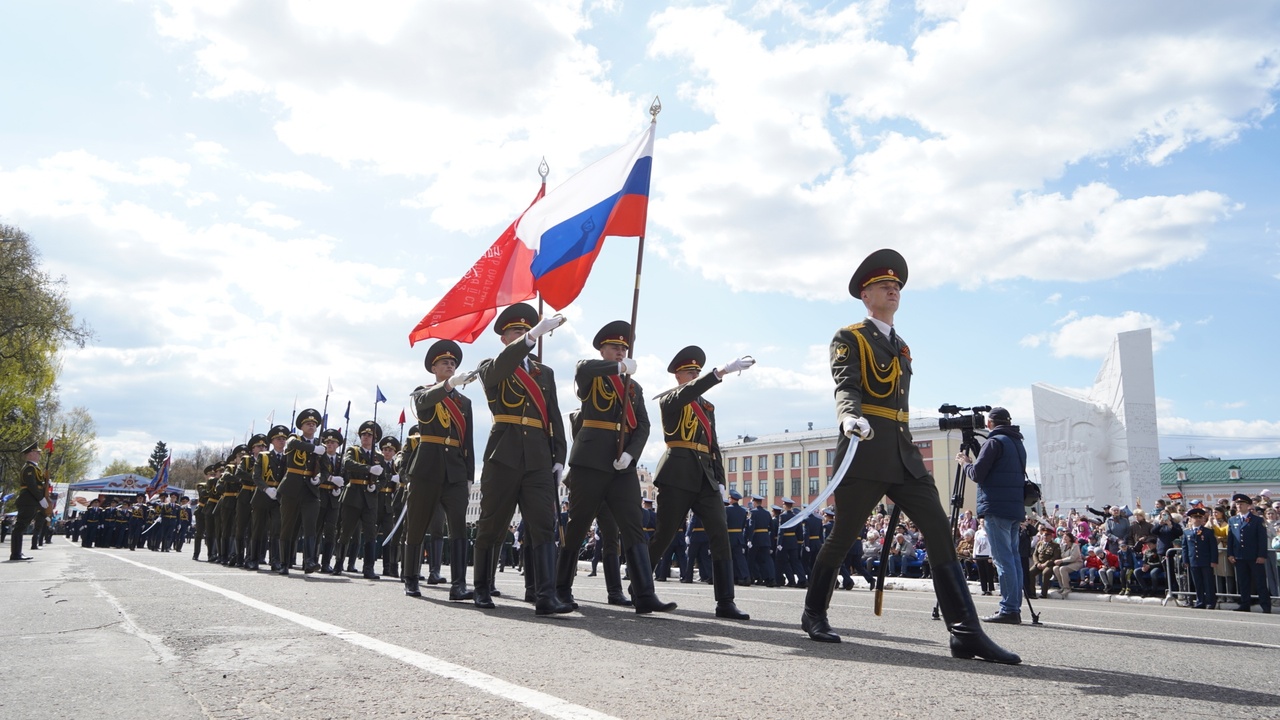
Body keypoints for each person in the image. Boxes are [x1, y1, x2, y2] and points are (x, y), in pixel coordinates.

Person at [800, 249, 1018, 663]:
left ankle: (965, 632)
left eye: (897, 285)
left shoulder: (902, 346)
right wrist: (849, 417)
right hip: (863, 450)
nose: (893, 289)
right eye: (885, 285)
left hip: (904, 455)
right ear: (866, 296)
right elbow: (845, 385)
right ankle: (814, 613)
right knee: (843, 535)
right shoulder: (851, 337)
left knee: (939, 531)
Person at [553, 321, 675, 614]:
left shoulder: (635, 387)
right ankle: (560, 589)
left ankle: (644, 594)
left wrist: (632, 454)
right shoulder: (591, 374)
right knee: (579, 523)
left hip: (622, 465)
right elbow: (584, 368)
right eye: (615, 348)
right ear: (602, 350)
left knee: (633, 526)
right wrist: (619, 370)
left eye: (624, 349)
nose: (620, 353)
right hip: (591, 460)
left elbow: (644, 425)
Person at [470, 304, 572, 615]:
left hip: (539, 457)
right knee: (492, 523)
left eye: (525, 331)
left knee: (543, 525)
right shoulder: (490, 366)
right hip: (505, 454)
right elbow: (499, 369)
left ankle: (545, 595)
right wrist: (531, 337)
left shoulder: (545, 372)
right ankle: (482, 588)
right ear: (504, 339)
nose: (522, 335)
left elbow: (554, 415)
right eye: (515, 332)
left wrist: (559, 456)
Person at [647, 344, 754, 620]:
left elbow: (713, 444)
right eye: (689, 372)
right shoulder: (670, 399)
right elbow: (689, 393)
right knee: (665, 534)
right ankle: (641, 586)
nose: (695, 375)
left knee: (720, 534)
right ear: (677, 377)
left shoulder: (707, 406)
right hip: (678, 473)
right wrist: (719, 373)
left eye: (697, 371)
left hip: (705, 476)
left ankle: (725, 601)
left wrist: (719, 478)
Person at [403, 340, 477, 601]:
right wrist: (448, 385)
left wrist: (470, 475)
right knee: (418, 525)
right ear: (433, 368)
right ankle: (411, 578)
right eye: (444, 362)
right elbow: (424, 402)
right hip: (427, 468)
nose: (450, 365)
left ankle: (458, 585)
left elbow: (467, 440)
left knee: (458, 528)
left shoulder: (464, 402)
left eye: (453, 363)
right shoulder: (423, 391)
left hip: (455, 471)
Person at [955, 406, 1027, 622]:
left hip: (996, 508)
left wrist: (965, 463)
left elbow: (977, 473)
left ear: (990, 424)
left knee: (1003, 561)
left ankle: (1009, 610)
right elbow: (994, 467)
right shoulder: (1017, 442)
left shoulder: (994, 442)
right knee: (1013, 560)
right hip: (1014, 508)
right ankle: (1013, 606)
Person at [336, 420, 386, 579]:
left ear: (375, 438)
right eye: (363, 434)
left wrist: (376, 487)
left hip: (370, 499)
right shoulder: (353, 451)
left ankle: (369, 568)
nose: (366, 437)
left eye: (369, 435)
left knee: (371, 534)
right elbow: (348, 464)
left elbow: (384, 479)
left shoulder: (378, 457)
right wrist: (368, 469)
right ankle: (338, 564)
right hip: (353, 495)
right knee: (346, 532)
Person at [279, 408, 325, 575]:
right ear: (302, 426)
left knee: (310, 525)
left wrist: (320, 478)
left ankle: (310, 561)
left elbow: (326, 469)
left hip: (310, 490)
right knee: (288, 526)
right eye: (308, 423)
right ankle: (284, 562)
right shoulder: (295, 438)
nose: (311, 426)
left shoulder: (320, 445)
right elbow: (291, 444)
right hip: (292, 486)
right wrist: (312, 449)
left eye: (314, 424)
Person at [1227, 493, 1271, 613]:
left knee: (1260, 582)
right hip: (1239, 556)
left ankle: (1266, 606)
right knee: (1243, 582)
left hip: (1254, 556)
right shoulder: (1232, 520)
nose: (1239, 506)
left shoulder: (1256, 520)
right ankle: (1245, 604)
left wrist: (1262, 555)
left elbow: (1262, 539)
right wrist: (1230, 554)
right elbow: (1230, 538)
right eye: (1237, 504)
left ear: (1248, 505)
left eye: (1241, 504)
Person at [8, 442, 46, 561]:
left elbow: (38, 484)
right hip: (28, 500)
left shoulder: (34, 468)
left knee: (21, 527)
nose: (39, 455)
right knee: (20, 527)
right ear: (30, 454)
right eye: (36, 453)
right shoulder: (29, 468)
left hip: (30, 501)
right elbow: (31, 485)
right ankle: (16, 554)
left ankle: (17, 553)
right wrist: (41, 498)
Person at [1183, 506, 1218, 609]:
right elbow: (1185, 547)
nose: (1197, 519)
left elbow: (1213, 547)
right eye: (1195, 517)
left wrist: (1213, 560)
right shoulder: (1187, 532)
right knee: (1198, 583)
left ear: (1203, 519)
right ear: (1191, 519)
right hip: (1193, 560)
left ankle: (1210, 602)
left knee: (1208, 583)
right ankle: (1200, 601)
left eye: (1199, 517)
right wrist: (1185, 560)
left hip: (1206, 560)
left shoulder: (1208, 532)